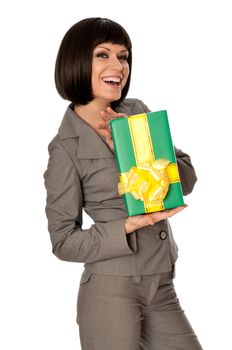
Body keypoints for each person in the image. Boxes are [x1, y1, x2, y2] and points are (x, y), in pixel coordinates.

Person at [43, 17, 203, 350]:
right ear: (76, 61)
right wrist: (126, 226)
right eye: (103, 54)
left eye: (123, 56)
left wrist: (132, 143)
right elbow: (63, 242)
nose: (118, 65)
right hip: (110, 291)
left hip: (161, 285)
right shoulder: (65, 149)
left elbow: (186, 179)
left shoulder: (135, 112)